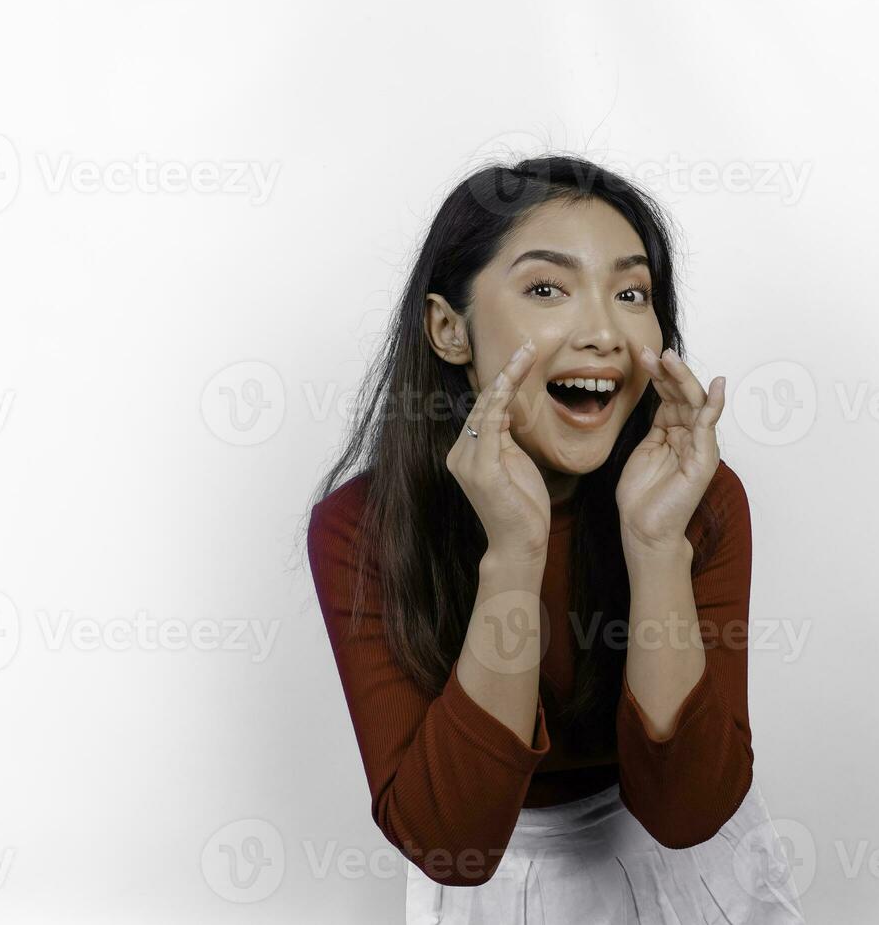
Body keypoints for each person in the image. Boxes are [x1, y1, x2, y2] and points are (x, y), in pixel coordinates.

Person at [306, 154, 807, 923]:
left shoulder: (699, 503)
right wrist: (512, 556)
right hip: (497, 878)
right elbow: (454, 846)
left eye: (631, 293)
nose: (604, 331)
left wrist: (655, 544)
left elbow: (687, 814)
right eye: (547, 289)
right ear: (449, 329)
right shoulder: (362, 529)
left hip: (690, 872)